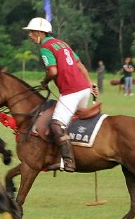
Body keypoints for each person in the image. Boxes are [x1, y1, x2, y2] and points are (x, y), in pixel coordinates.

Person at [24, 17, 96, 172]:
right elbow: (79, 64)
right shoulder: (62, 43)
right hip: (83, 89)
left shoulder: (45, 47)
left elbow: (53, 71)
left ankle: (67, 162)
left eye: (31, 32)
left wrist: (45, 82)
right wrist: (89, 83)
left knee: (56, 125)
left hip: (72, 91)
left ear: (40, 33)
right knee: (73, 122)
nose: (29, 35)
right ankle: (80, 152)